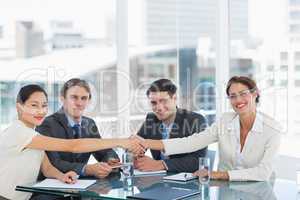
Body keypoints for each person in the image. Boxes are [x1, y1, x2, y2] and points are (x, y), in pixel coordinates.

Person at [0, 84, 143, 200]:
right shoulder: (18, 132)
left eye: (44, 105)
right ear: (19, 107)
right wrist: (121, 141)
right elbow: (72, 146)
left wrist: (62, 176)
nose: (41, 111)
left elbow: (47, 168)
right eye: (34, 105)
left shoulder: (34, 135)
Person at [139, 76, 282, 181]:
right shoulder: (226, 121)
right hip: (225, 190)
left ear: (255, 94)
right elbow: (191, 142)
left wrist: (217, 174)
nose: (238, 100)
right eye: (232, 96)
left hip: (258, 191)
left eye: (243, 94)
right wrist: (145, 143)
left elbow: (263, 172)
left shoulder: (272, 129)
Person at [36, 78, 119, 179]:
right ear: (62, 98)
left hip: (80, 186)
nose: (79, 103)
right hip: (53, 187)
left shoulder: (89, 123)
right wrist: (87, 169)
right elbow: (54, 163)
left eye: (84, 98)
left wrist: (109, 160)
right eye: (74, 97)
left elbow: (104, 151)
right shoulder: (46, 125)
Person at [135, 78, 207, 173]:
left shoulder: (195, 120)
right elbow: (137, 145)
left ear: (174, 98)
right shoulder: (151, 119)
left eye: (163, 101)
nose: (159, 108)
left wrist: (159, 164)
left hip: (186, 182)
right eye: (154, 103)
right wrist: (134, 156)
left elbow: (197, 161)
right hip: (158, 180)